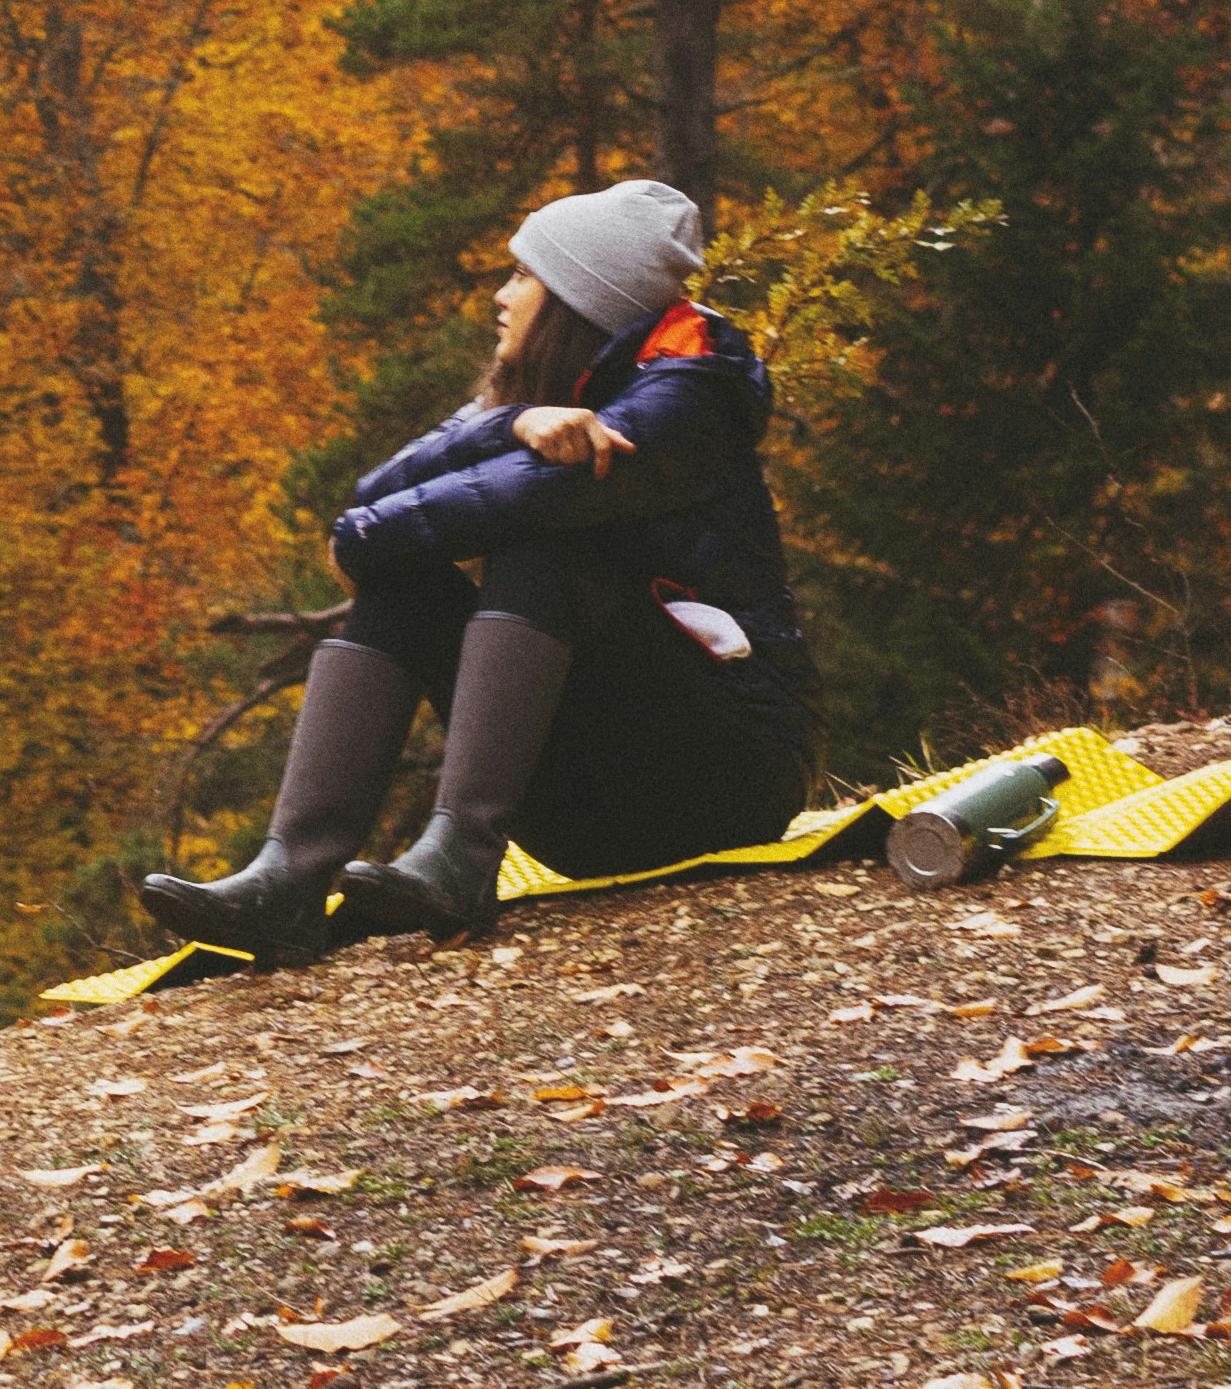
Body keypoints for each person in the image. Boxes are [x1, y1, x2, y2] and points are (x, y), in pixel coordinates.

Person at [140, 177, 818, 961]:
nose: (502, 294)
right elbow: (370, 501)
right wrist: (507, 423)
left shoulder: (686, 395)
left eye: (523, 275)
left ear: (575, 296)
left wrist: (364, 538)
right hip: (590, 810)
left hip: (730, 779)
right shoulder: (544, 399)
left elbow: (381, 529)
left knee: (542, 550)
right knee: (409, 583)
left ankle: (462, 853)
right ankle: (288, 880)